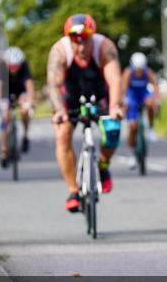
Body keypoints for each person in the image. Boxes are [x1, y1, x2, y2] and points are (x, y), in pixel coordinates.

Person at [46, 14, 124, 213]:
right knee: (62, 134)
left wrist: (115, 106)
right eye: (75, 41)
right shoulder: (59, 51)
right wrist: (60, 111)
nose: (81, 47)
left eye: (85, 40)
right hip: (70, 97)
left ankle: (103, 165)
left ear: (93, 36)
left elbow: (115, 80)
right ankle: (73, 190)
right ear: (69, 39)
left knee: (113, 130)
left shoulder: (105, 47)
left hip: (100, 94)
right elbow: (54, 85)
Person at [0, 46, 35, 167]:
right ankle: (4, 152)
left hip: (20, 91)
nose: (14, 69)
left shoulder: (24, 66)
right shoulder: (0, 67)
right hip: (6, 91)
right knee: (5, 117)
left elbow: (29, 86)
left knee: (25, 110)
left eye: (17, 66)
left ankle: (25, 135)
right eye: (11, 66)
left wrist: (30, 101)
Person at [122, 51, 161, 170]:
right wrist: (124, 103)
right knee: (133, 127)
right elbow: (123, 89)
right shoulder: (128, 73)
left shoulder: (147, 72)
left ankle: (151, 128)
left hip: (143, 94)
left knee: (150, 103)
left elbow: (155, 86)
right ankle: (132, 155)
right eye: (137, 69)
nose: (138, 72)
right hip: (132, 96)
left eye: (140, 69)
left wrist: (157, 100)